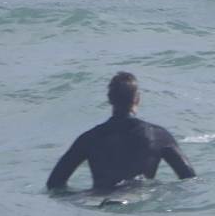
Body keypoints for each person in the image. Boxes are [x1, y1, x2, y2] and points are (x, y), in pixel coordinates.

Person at [46, 71, 196, 191]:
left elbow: (54, 183)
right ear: (137, 99)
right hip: (138, 199)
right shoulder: (158, 135)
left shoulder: (88, 138)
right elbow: (189, 178)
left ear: (109, 99)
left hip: (97, 200)